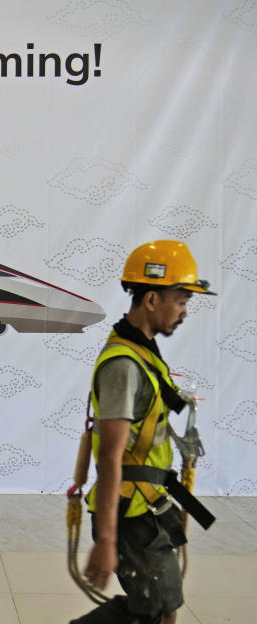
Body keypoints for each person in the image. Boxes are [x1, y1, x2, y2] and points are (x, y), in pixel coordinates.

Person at [71, 240, 215, 624]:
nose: (184, 312)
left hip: (147, 503)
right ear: (151, 299)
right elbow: (110, 456)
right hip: (130, 513)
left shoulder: (144, 351)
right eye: (181, 300)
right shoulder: (123, 365)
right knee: (156, 612)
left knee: (161, 608)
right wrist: (106, 540)